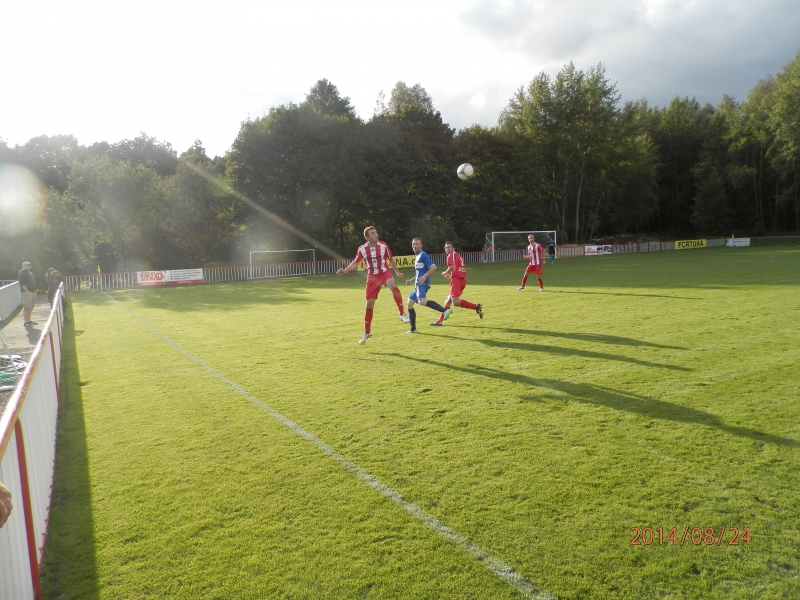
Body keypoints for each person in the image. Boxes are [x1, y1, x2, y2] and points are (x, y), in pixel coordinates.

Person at [337, 226, 408, 345]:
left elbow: (390, 259)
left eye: (376, 232)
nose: (376, 235)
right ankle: (367, 332)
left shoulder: (383, 245)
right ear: (367, 237)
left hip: (384, 273)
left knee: (392, 285)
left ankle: (402, 314)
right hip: (372, 277)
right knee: (369, 305)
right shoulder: (362, 249)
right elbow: (355, 262)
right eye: (372, 233)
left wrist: (397, 272)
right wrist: (344, 271)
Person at [403, 238, 451, 333]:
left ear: (421, 245)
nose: (415, 246)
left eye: (417, 244)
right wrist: (411, 280)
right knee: (409, 303)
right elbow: (419, 273)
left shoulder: (423, 255)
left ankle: (445, 311)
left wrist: (425, 276)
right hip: (417, 284)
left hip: (422, 284)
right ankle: (413, 329)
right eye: (413, 244)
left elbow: (433, 267)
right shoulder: (417, 256)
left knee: (422, 301)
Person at [430, 241, 483, 325]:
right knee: (448, 301)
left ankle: (476, 306)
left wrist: (445, 272)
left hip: (457, 280)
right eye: (446, 247)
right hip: (461, 279)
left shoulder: (451, 255)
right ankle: (439, 321)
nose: (447, 249)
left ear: (453, 248)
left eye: (449, 247)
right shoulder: (457, 255)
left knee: (456, 302)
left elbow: (452, 267)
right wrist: (451, 277)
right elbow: (459, 269)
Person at [18, 261, 37, 328]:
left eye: (29, 265)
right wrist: (27, 291)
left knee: (31, 306)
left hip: (33, 291)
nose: (28, 266)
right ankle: (26, 322)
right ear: (23, 266)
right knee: (27, 307)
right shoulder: (22, 273)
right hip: (26, 293)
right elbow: (22, 284)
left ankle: (29, 320)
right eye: (26, 265)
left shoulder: (30, 273)